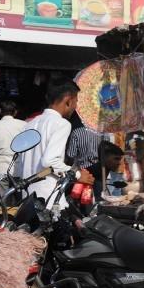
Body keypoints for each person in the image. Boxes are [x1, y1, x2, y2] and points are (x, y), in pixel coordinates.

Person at [17, 78, 94, 207]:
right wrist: (78, 174)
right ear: (68, 100)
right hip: (48, 199)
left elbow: (19, 167)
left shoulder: (29, 125)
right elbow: (49, 161)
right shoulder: (61, 124)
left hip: (27, 200)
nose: (75, 107)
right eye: (76, 102)